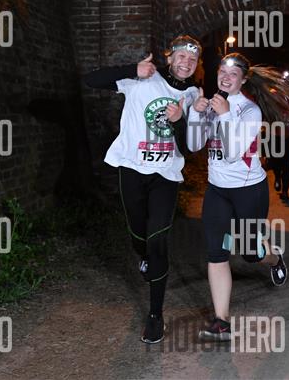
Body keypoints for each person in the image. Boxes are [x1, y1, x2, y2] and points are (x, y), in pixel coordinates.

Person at [83, 35, 201, 344]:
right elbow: (91, 80)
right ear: (169, 57)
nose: (186, 63)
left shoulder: (193, 95)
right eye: (181, 56)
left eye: (192, 59)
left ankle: (155, 315)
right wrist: (132, 69)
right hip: (133, 169)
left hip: (166, 175)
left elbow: (188, 148)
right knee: (139, 237)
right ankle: (143, 255)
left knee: (157, 239)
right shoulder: (143, 78)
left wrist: (179, 121)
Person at [186, 52, 289, 341]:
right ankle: (221, 321)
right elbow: (195, 145)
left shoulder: (250, 110)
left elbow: (234, 153)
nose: (225, 77)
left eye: (233, 74)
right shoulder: (211, 105)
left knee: (250, 254)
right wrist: (196, 114)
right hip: (217, 191)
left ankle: (275, 258)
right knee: (216, 253)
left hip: (249, 191)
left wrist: (224, 114)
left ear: (243, 79)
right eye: (222, 71)